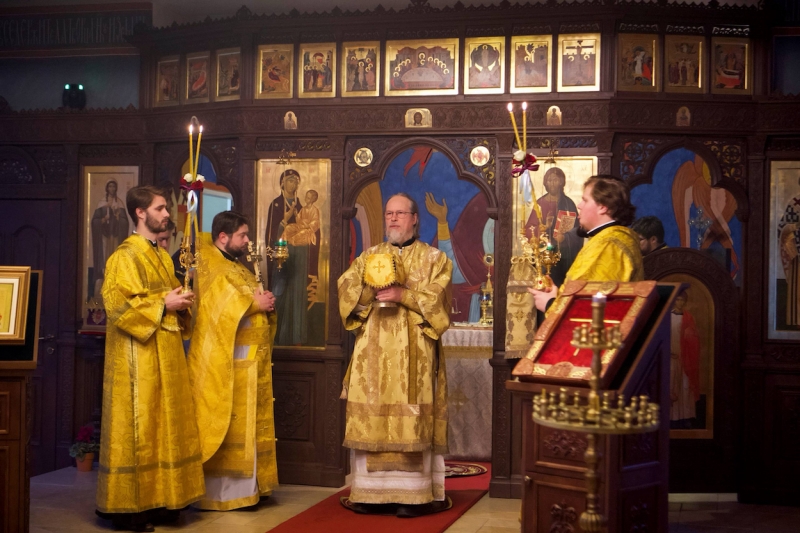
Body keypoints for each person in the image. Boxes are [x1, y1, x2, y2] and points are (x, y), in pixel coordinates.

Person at [338, 193, 453, 517]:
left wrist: (404, 295)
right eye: (389, 213)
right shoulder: (369, 256)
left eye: (400, 213)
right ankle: (368, 494)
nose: (392, 219)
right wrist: (365, 291)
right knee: (372, 415)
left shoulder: (435, 259)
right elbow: (346, 290)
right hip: (372, 352)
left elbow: (440, 301)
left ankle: (413, 497)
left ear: (415, 218)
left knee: (411, 416)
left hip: (413, 354)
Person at [96, 186, 202, 532]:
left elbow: (168, 296)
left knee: (163, 429)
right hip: (136, 362)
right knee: (139, 431)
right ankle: (129, 509)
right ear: (140, 213)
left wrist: (183, 299)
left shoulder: (157, 254)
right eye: (160, 208)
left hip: (165, 357)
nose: (167, 214)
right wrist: (163, 304)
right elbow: (118, 306)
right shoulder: (124, 256)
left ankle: (160, 500)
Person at [187, 211, 279, 510]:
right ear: (223, 237)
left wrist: (265, 305)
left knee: (249, 425)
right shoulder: (211, 264)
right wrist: (255, 303)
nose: (248, 240)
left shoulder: (237, 266)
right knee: (229, 422)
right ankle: (226, 494)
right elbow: (216, 308)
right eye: (243, 235)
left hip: (249, 361)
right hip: (227, 362)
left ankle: (251, 488)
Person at [529, 175, 644, 313]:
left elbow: (589, 307)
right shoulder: (614, 238)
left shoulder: (607, 245)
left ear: (603, 207)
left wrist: (550, 304)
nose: (579, 205)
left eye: (585, 200)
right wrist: (558, 294)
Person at [265, 169, 319, 346]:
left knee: (297, 295)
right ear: (282, 183)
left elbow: (314, 230)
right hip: (282, 258)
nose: (293, 184)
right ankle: (277, 337)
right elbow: (271, 236)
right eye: (290, 181)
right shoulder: (276, 205)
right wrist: (284, 221)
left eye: (296, 181)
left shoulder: (303, 208)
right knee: (280, 294)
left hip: (299, 257)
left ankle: (297, 337)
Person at [524, 167, 583, 287]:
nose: (552, 183)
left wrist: (565, 237)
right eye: (549, 180)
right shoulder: (540, 203)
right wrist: (545, 227)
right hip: (545, 254)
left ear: (561, 182)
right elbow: (530, 229)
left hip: (565, 254)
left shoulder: (568, 203)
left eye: (555, 180)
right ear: (545, 183)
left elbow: (577, 230)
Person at [90, 179, 130, 297]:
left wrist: (118, 217)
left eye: (114, 187)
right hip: (104, 238)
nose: (112, 189)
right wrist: (103, 220)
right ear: (107, 188)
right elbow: (94, 222)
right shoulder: (102, 203)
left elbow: (125, 222)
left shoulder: (120, 203)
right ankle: (104, 276)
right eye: (110, 187)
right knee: (105, 258)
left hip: (116, 237)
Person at [670, 289, 701, 428]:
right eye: (677, 299)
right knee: (672, 385)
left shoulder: (688, 317)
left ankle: (686, 416)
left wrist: (690, 335)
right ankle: (671, 416)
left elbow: (694, 339)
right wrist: (668, 352)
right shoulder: (667, 316)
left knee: (685, 386)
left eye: (682, 300)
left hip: (685, 357)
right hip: (670, 356)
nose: (680, 302)